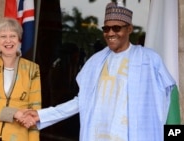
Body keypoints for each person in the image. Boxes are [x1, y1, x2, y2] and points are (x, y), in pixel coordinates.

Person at [18, 2, 177, 141]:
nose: (110, 33)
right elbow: (81, 102)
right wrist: (42, 115)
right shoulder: (95, 62)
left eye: (116, 28)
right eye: (106, 28)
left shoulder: (149, 60)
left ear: (129, 29)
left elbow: (171, 100)